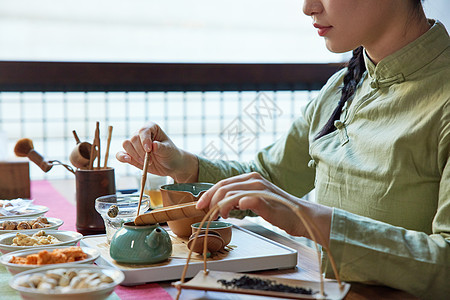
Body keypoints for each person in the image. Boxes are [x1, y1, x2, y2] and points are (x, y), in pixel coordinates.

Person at [117, 0, 449, 298]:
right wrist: (182, 164)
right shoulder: (342, 86)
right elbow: (271, 178)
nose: (308, 7)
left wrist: (308, 218)